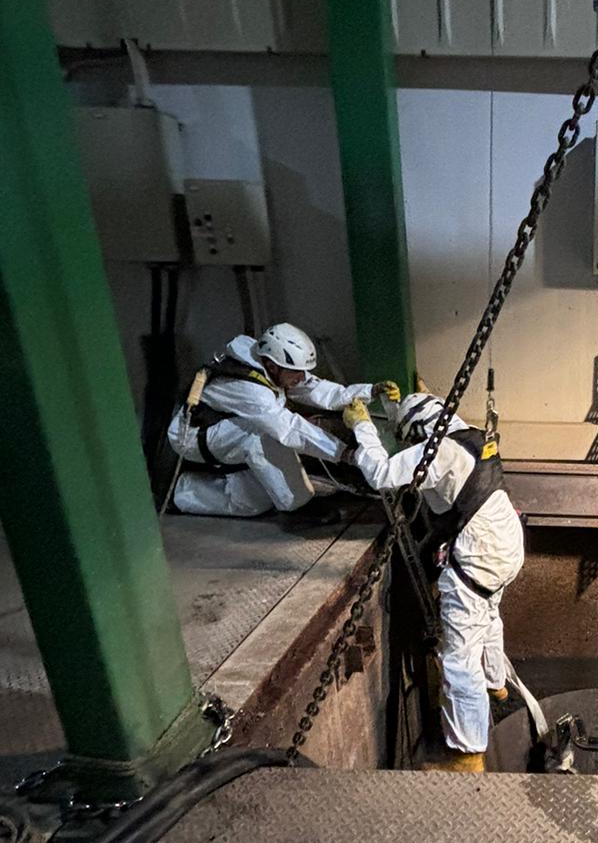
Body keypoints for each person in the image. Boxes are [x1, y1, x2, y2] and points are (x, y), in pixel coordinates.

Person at [342, 388, 524, 772]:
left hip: (479, 559)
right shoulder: (468, 436)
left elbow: (383, 473)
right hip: (507, 546)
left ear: (419, 432)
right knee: (489, 615)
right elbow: (418, 436)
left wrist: (362, 427)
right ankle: (496, 683)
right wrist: (392, 407)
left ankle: (467, 754)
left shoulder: (438, 449)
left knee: (459, 659)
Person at [167, 323, 400, 518]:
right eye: (296, 372)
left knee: (255, 502)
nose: (302, 377)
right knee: (264, 433)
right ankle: (299, 507)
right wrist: (345, 454)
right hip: (194, 435)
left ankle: (181, 492)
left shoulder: (271, 368)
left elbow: (314, 389)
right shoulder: (250, 389)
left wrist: (369, 391)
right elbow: (288, 429)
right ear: (271, 365)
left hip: (227, 428)